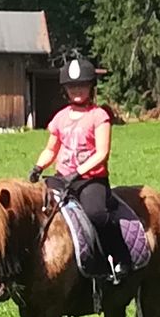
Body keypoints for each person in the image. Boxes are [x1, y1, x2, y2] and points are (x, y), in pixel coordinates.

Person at [31, 53, 127, 284]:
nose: (77, 91)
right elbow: (51, 149)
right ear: (65, 89)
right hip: (62, 178)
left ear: (91, 87)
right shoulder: (60, 118)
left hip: (90, 180)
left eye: (82, 86)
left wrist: (79, 172)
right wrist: (38, 166)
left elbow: (102, 153)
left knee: (96, 214)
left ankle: (118, 257)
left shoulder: (99, 116)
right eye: (72, 87)